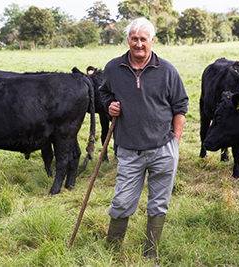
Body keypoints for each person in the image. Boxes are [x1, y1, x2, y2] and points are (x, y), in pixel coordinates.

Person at [99, 17, 189, 261]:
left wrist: (175, 141)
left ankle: (151, 254)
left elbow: (181, 105)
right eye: (134, 38)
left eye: (143, 39)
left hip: (163, 149)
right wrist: (110, 106)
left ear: (152, 40)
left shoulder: (167, 70)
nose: (138, 44)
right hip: (129, 149)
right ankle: (111, 252)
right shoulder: (113, 68)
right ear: (128, 40)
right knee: (121, 202)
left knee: (158, 205)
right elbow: (104, 93)